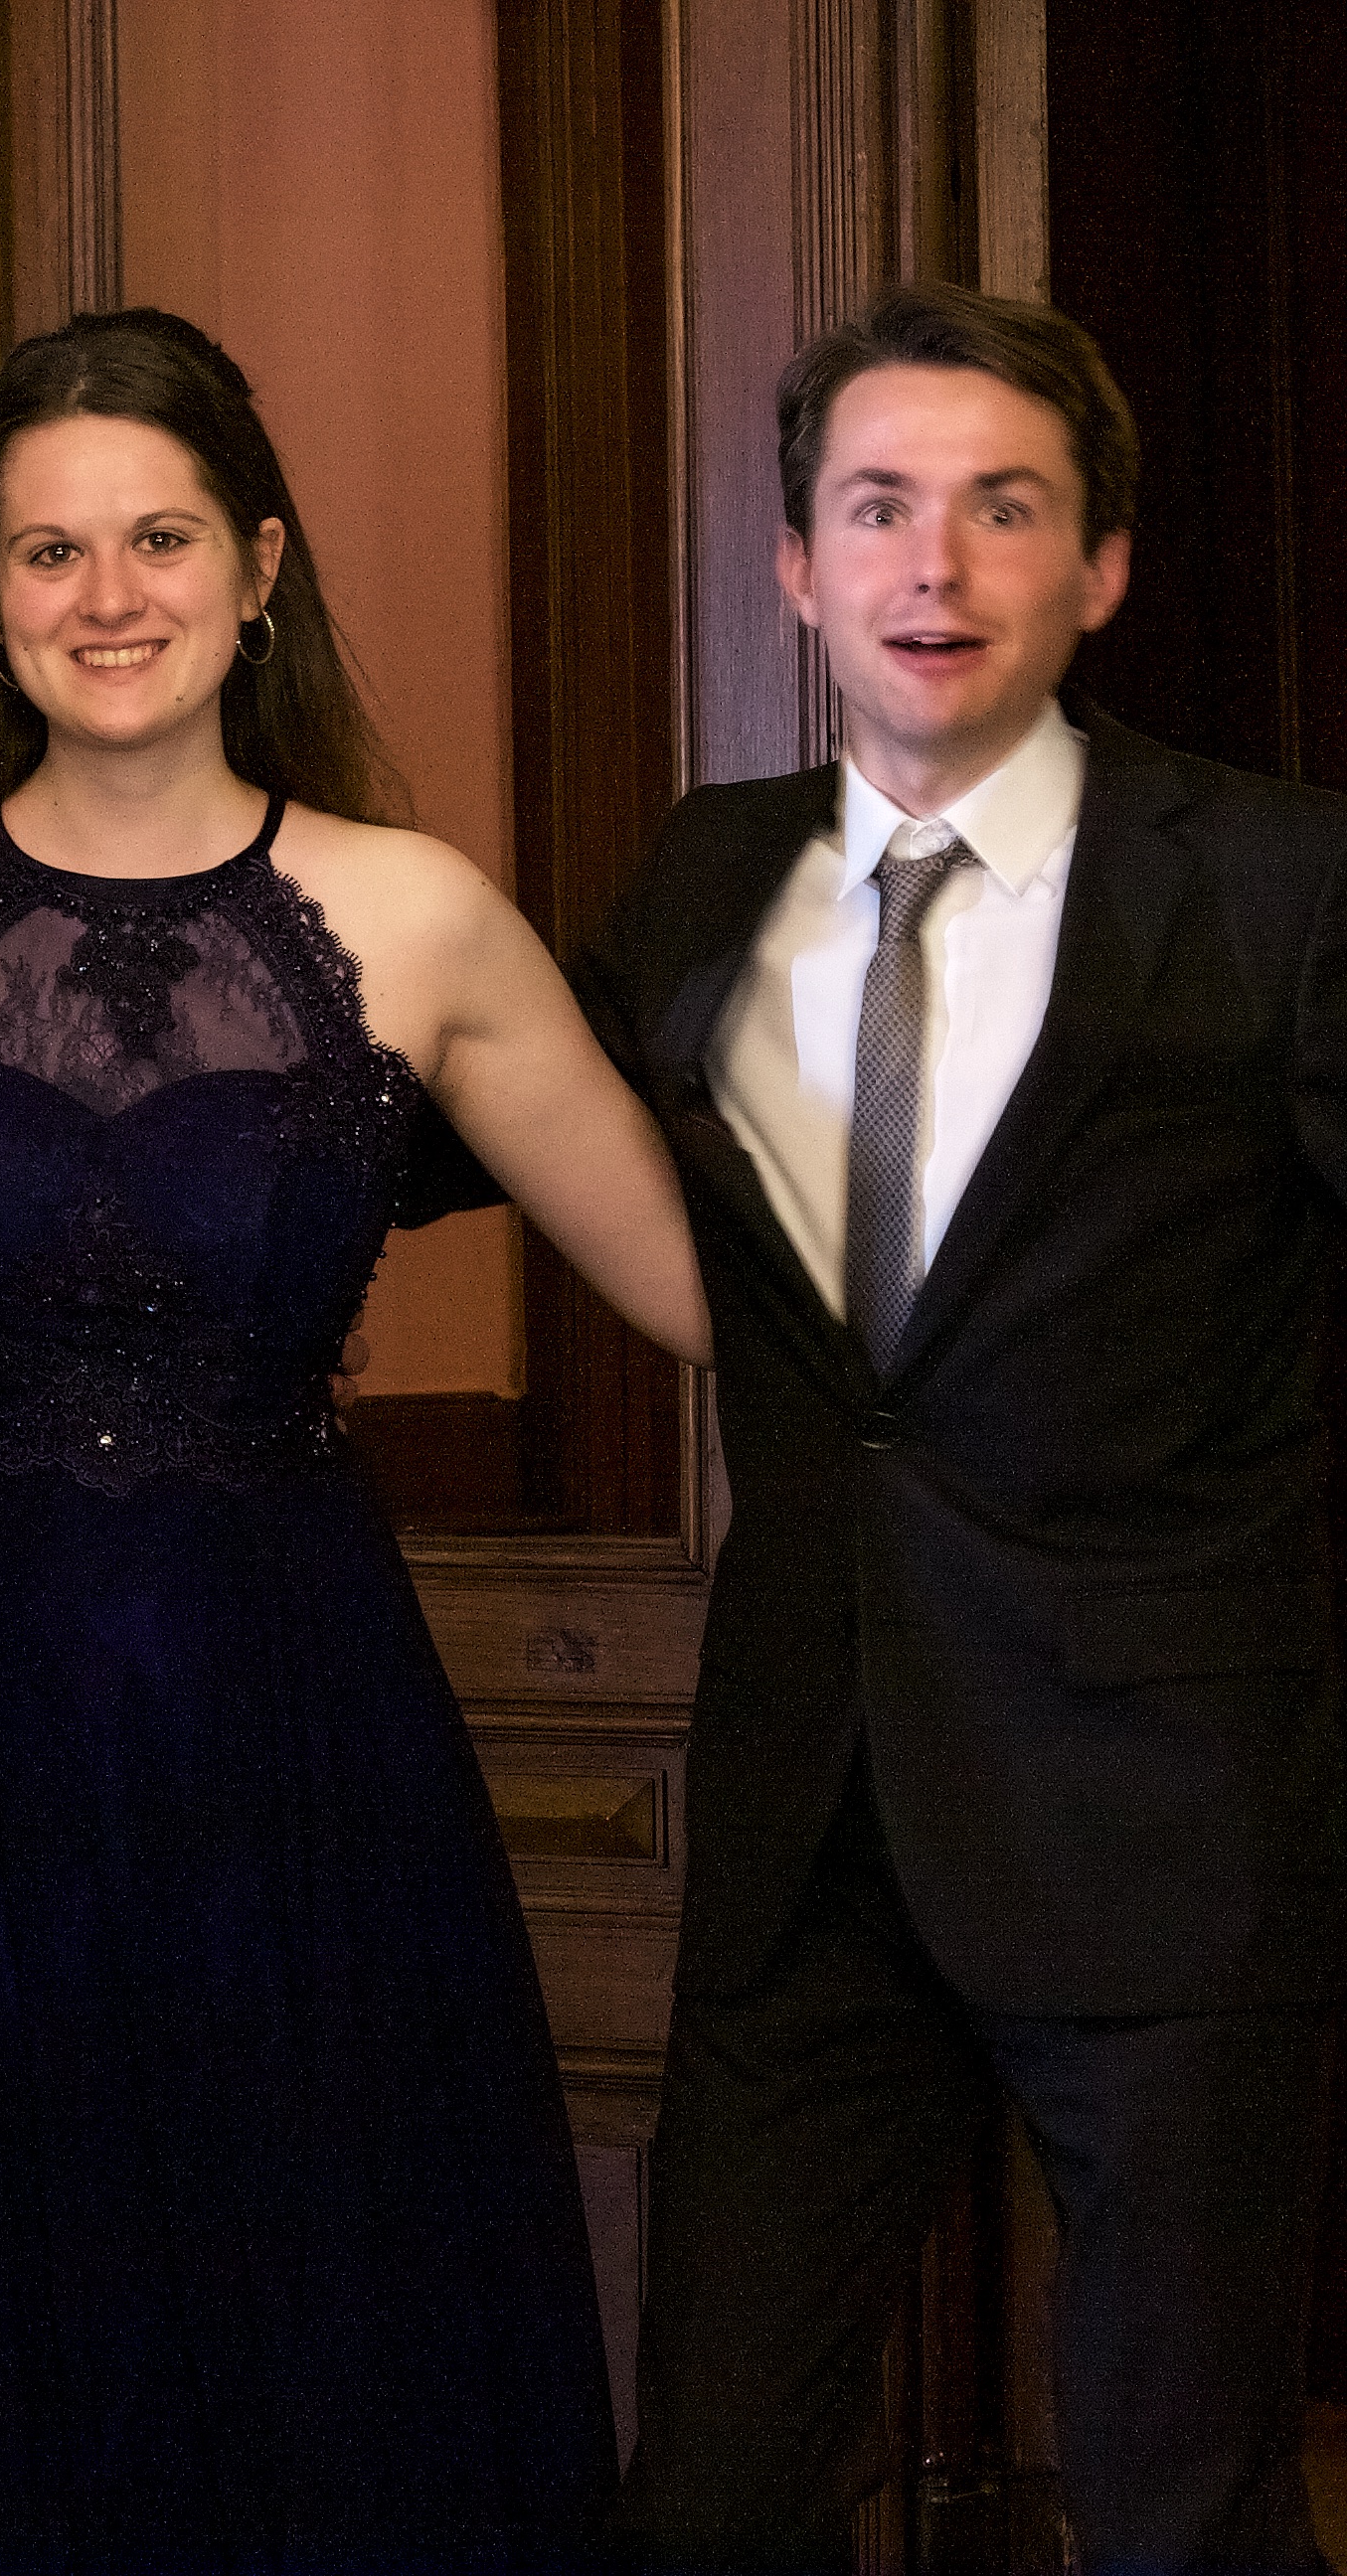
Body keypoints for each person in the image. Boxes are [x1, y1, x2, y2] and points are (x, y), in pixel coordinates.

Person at [0, 310, 711, 2569]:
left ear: (259, 567)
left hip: (282, 1732)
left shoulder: (417, 912)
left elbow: (707, 1284)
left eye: (156, 539)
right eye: (48, 550)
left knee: (289, 2299)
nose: (105, 594)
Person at [585, 282, 1347, 2573]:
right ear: (795, 567)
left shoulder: (1281, 882)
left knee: (1182, 2502)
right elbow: (427, 1115)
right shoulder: (702, 876)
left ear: (1097, 567)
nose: (935, 563)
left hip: (1164, 1823)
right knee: (710, 2491)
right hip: (809, 1817)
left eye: (1003, 508)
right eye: (878, 508)